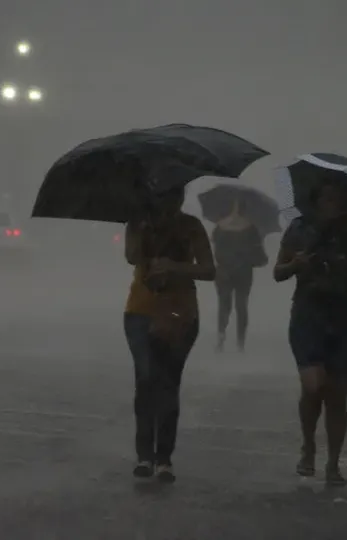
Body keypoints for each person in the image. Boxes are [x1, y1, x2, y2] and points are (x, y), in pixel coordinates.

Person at [273, 183, 347, 487]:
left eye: (338, 199)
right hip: (308, 317)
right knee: (314, 386)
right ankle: (308, 445)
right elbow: (278, 272)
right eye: (327, 198)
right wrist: (297, 263)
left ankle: (333, 463)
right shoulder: (300, 230)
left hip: (343, 319)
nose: (333, 204)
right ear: (316, 201)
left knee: (337, 395)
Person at [123, 186, 216, 483]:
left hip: (180, 313)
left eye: (175, 195)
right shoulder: (138, 222)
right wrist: (141, 228)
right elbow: (132, 257)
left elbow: (209, 269)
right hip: (140, 310)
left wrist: (175, 267)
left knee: (167, 382)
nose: (170, 202)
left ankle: (164, 457)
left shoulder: (191, 226)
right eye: (163, 195)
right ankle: (144, 455)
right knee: (146, 377)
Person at [211, 198, 268, 352]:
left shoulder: (220, 226)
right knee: (241, 306)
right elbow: (258, 252)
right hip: (244, 272)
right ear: (245, 210)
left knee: (224, 306)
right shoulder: (250, 228)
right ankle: (240, 343)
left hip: (223, 272)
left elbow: (216, 251)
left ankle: (221, 337)